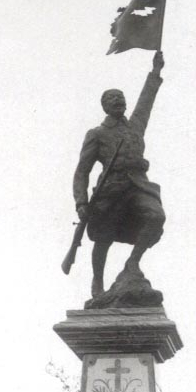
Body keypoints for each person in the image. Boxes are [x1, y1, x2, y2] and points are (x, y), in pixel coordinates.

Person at [73, 51, 166, 298]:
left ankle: (132, 263)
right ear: (104, 105)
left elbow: (146, 101)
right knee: (103, 238)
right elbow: (82, 171)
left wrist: (155, 72)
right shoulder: (97, 133)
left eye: (122, 98)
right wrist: (81, 202)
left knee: (155, 216)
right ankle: (97, 282)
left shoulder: (136, 126)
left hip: (137, 186)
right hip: (111, 189)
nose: (119, 101)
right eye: (113, 98)